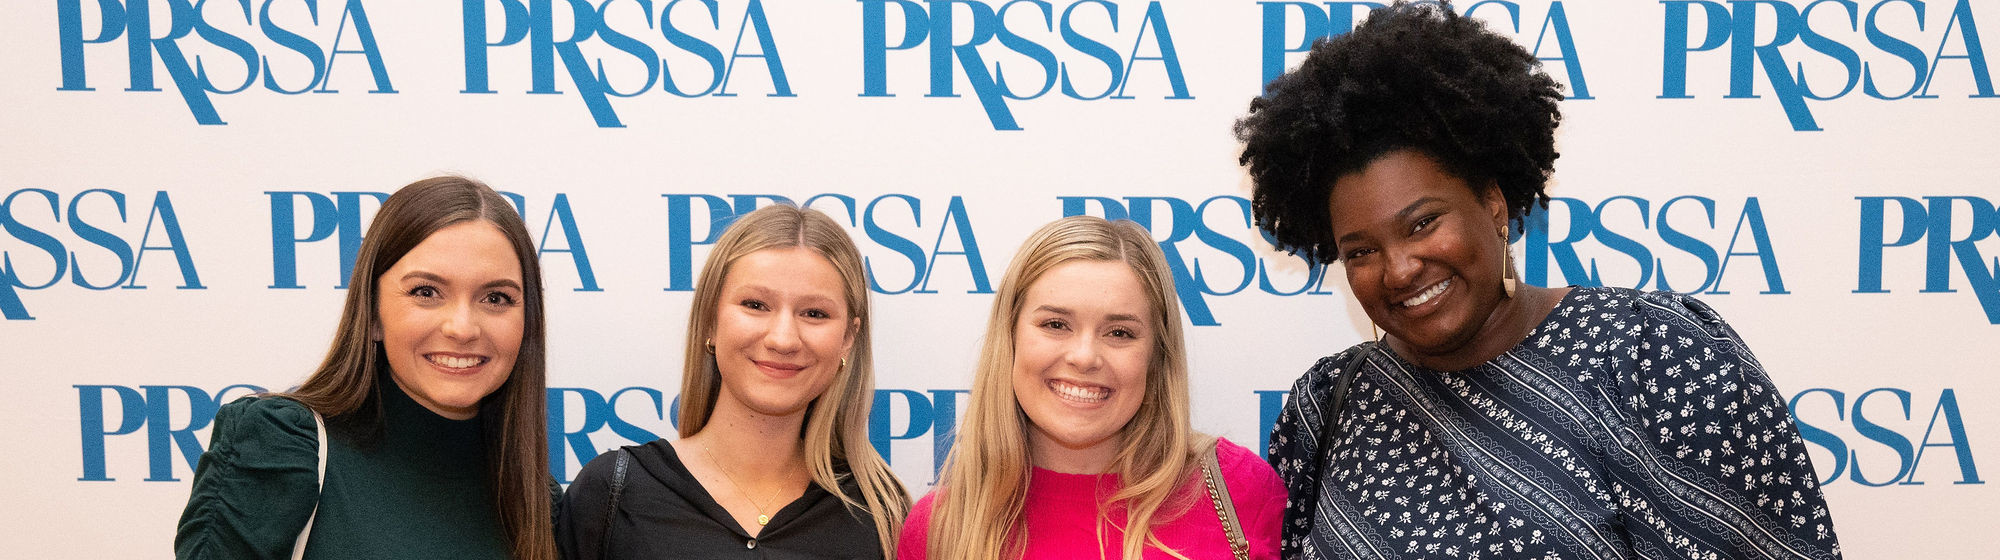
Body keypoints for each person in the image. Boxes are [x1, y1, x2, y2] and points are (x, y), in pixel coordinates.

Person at [1234, 2, 1843, 559]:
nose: (1398, 269)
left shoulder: (1654, 357)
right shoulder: (1331, 402)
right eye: (1361, 250)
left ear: (1494, 205)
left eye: (1422, 224)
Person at [175, 176, 557, 560]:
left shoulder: (538, 500)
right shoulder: (281, 446)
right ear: (373, 314)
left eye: (495, 298)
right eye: (426, 292)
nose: (462, 328)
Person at [899, 216, 1285, 560]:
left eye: (1119, 332)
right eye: (1055, 325)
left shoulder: (1240, 489)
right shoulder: (939, 528)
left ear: (1157, 354)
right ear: (1010, 337)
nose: (1084, 357)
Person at [557, 204, 910, 559]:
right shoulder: (611, 494)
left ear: (848, 338)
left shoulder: (883, 516)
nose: (783, 339)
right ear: (711, 320)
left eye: (814, 313)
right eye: (756, 305)